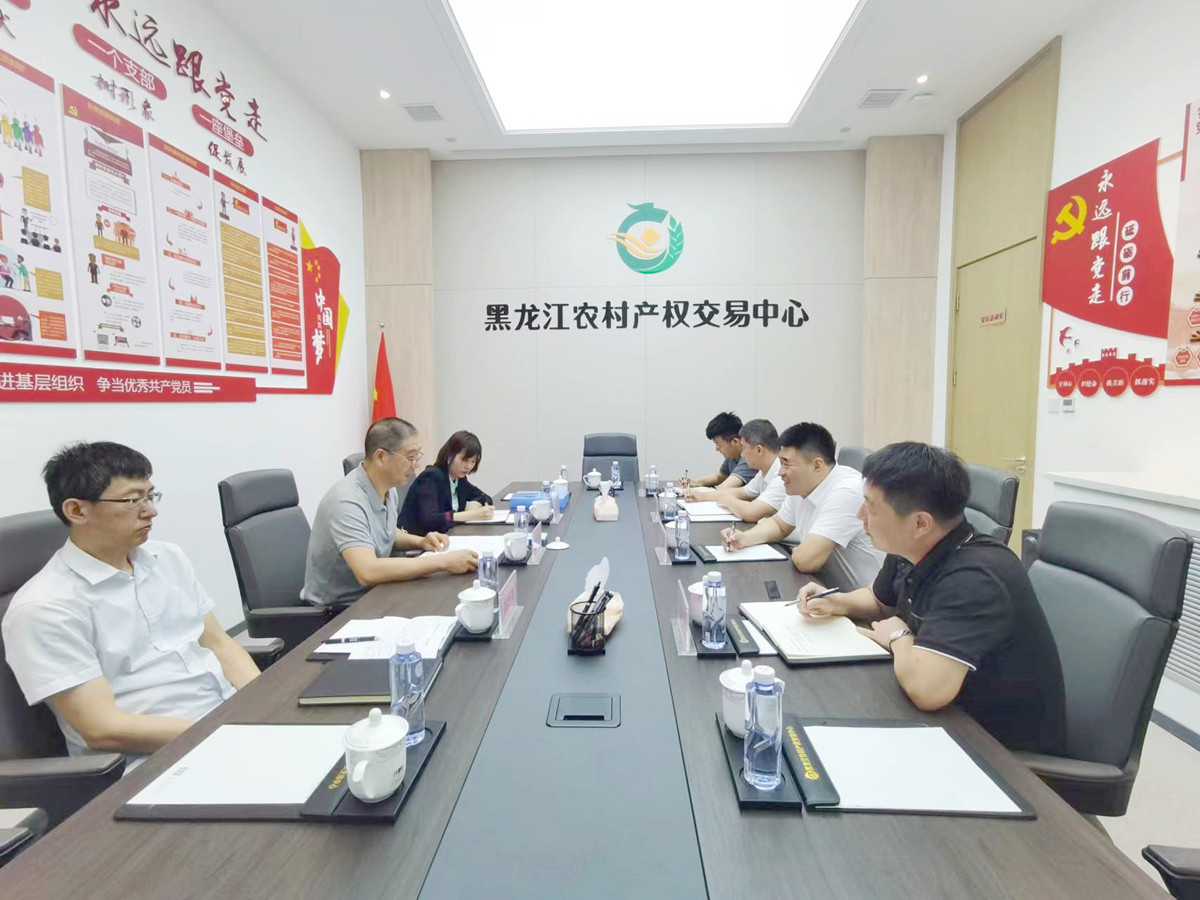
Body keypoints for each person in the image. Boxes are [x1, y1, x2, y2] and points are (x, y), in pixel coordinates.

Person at [793, 443, 1066, 755]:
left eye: (871, 507)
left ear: (920, 523)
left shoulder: (975, 577)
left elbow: (927, 691)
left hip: (996, 750)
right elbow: (879, 599)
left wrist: (898, 636)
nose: (860, 516)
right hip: (948, 718)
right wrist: (837, 602)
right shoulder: (912, 547)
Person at [2, 442, 259, 761]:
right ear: (77, 511)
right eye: (132, 500)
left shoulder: (167, 558)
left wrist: (265, 707)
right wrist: (225, 733)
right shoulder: (45, 607)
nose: (150, 510)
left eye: (150, 496)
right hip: (154, 760)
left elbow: (219, 643)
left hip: (228, 723)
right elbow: (102, 729)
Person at [302, 417, 478, 608]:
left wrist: (421, 542)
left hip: (375, 594)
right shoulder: (346, 501)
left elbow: (386, 532)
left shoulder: (389, 489)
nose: (415, 466)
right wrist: (443, 561)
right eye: (410, 458)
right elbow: (368, 571)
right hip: (338, 611)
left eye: (417, 457)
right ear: (381, 457)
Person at [725, 422, 882, 589]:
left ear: (816, 465)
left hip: (858, 600)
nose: (780, 472)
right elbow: (779, 525)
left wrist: (799, 550)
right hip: (821, 587)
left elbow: (806, 561)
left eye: (786, 464)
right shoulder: (802, 485)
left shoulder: (846, 492)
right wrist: (744, 538)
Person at [399, 430, 495, 535]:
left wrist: (475, 506)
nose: (469, 466)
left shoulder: (459, 479)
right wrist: (470, 515)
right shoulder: (431, 477)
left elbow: (484, 498)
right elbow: (429, 519)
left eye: (473, 461)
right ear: (450, 456)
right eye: (465, 460)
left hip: (445, 536)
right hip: (418, 539)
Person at [702, 418, 785, 523]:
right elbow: (741, 492)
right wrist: (699, 496)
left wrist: (727, 500)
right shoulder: (763, 473)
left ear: (759, 450)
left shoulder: (782, 477)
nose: (742, 454)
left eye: (744, 448)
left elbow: (751, 513)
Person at [680, 411, 755, 490]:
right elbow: (720, 476)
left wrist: (695, 493)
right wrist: (695, 482)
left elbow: (723, 488)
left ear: (735, 442)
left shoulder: (749, 457)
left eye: (718, 444)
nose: (717, 449)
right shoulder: (733, 456)